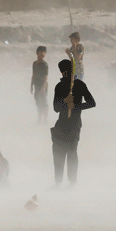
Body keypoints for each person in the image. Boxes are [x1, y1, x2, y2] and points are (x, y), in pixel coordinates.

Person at [50, 59, 96, 189]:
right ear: (61, 72)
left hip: (74, 124)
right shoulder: (59, 87)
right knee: (58, 154)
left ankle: (72, 182)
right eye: (64, 72)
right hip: (60, 125)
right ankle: (57, 183)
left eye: (69, 71)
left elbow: (92, 102)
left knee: (71, 153)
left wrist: (75, 106)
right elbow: (55, 108)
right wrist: (65, 101)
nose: (67, 74)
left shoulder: (80, 85)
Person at [30, 45, 49, 123]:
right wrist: (31, 85)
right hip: (36, 85)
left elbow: (46, 76)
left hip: (43, 85)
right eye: (41, 52)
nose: (43, 54)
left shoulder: (45, 64)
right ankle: (39, 118)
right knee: (38, 102)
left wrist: (43, 87)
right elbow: (33, 74)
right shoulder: (35, 63)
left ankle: (45, 120)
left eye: (44, 52)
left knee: (44, 102)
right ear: (37, 53)